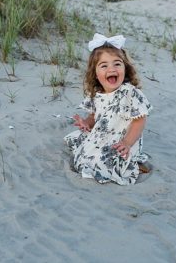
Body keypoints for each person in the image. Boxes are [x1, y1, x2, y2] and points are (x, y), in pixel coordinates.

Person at [65, 33, 152, 185]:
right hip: (103, 135)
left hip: (123, 139)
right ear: (96, 74)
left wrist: (127, 143)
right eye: (104, 65)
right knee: (82, 149)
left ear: (125, 68)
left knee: (106, 160)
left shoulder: (129, 92)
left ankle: (134, 160)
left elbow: (139, 120)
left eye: (117, 64)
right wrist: (87, 123)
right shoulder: (98, 94)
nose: (111, 69)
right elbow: (95, 116)